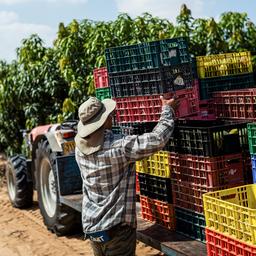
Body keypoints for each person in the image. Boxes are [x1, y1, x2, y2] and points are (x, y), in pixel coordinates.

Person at [75, 95, 178, 256]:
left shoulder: (79, 149)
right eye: (109, 116)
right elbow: (157, 139)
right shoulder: (120, 147)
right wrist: (167, 110)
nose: (112, 118)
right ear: (104, 121)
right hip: (116, 231)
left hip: (92, 227)